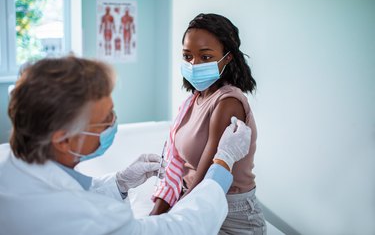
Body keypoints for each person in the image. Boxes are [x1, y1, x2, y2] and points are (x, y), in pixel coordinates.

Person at [0, 56, 252, 235]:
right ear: (63, 139)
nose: (114, 123)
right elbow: (181, 229)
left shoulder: (14, 172)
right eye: (106, 118)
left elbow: (65, 195)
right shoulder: (89, 218)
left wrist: (119, 182)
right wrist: (222, 163)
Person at [150, 13, 267, 234]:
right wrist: (152, 219)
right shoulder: (194, 99)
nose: (193, 64)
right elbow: (178, 165)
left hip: (231, 214)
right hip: (196, 200)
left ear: (228, 58)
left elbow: (204, 179)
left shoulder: (228, 103)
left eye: (205, 57)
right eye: (187, 56)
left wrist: (176, 219)